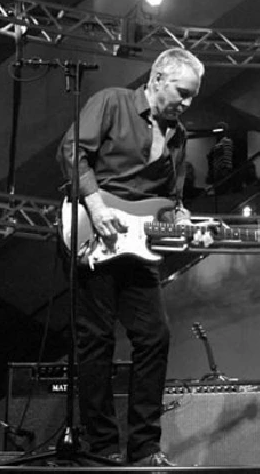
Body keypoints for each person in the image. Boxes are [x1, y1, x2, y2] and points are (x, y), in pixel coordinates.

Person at [57, 48, 204, 466]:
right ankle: (101, 445)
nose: (188, 103)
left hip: (138, 248)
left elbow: (169, 198)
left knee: (154, 337)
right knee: (96, 339)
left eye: (193, 96)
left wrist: (182, 217)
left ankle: (144, 448)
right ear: (157, 78)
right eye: (182, 92)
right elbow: (70, 152)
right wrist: (97, 207)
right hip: (92, 230)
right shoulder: (112, 102)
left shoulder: (179, 134)